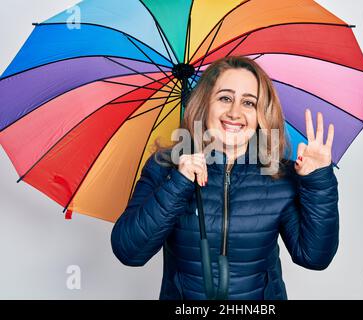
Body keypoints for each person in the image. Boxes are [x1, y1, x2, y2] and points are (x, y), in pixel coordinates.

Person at [110, 55, 339, 300]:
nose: (234, 112)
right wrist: (179, 182)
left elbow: (314, 257)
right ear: (205, 103)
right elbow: (129, 252)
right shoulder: (165, 167)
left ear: (261, 113)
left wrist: (317, 182)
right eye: (225, 98)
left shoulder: (279, 175)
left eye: (249, 103)